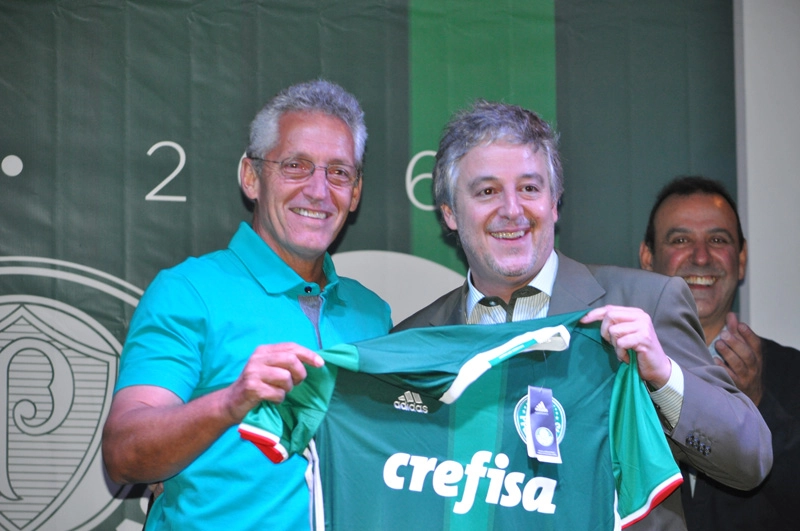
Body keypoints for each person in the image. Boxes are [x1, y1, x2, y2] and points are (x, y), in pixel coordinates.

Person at [389, 101, 771, 529]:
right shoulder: (413, 344)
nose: (513, 210)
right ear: (449, 215)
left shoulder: (646, 301)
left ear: (554, 204)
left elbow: (749, 458)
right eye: (487, 191)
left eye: (530, 188)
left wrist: (663, 376)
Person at [101, 79, 391, 530]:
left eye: (339, 172)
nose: (319, 190)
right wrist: (232, 401)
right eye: (296, 166)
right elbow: (124, 455)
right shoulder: (188, 291)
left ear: (355, 193)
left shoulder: (372, 313)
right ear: (251, 177)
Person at [640, 175, 800, 530]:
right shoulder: (614, 371)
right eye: (680, 239)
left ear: (741, 259)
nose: (701, 256)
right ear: (647, 258)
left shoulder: (792, 373)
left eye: (718, 240)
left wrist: (758, 404)